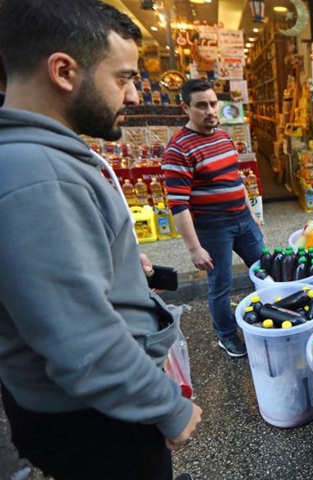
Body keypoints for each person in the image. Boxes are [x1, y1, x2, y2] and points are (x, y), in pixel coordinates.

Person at [0, 1, 202, 479]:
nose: (133, 96)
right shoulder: (40, 177)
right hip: (95, 420)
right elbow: (82, 342)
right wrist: (167, 408)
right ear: (64, 71)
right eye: (123, 77)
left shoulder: (40, 162)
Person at [162, 79, 264, 358]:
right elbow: (178, 205)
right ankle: (227, 336)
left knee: (267, 272)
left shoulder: (223, 136)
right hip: (213, 228)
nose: (209, 110)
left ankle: (269, 321)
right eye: (201, 105)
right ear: (185, 107)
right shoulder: (178, 149)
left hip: (243, 220)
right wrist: (194, 248)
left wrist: (251, 213)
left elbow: (236, 179)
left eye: (213, 103)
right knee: (221, 284)